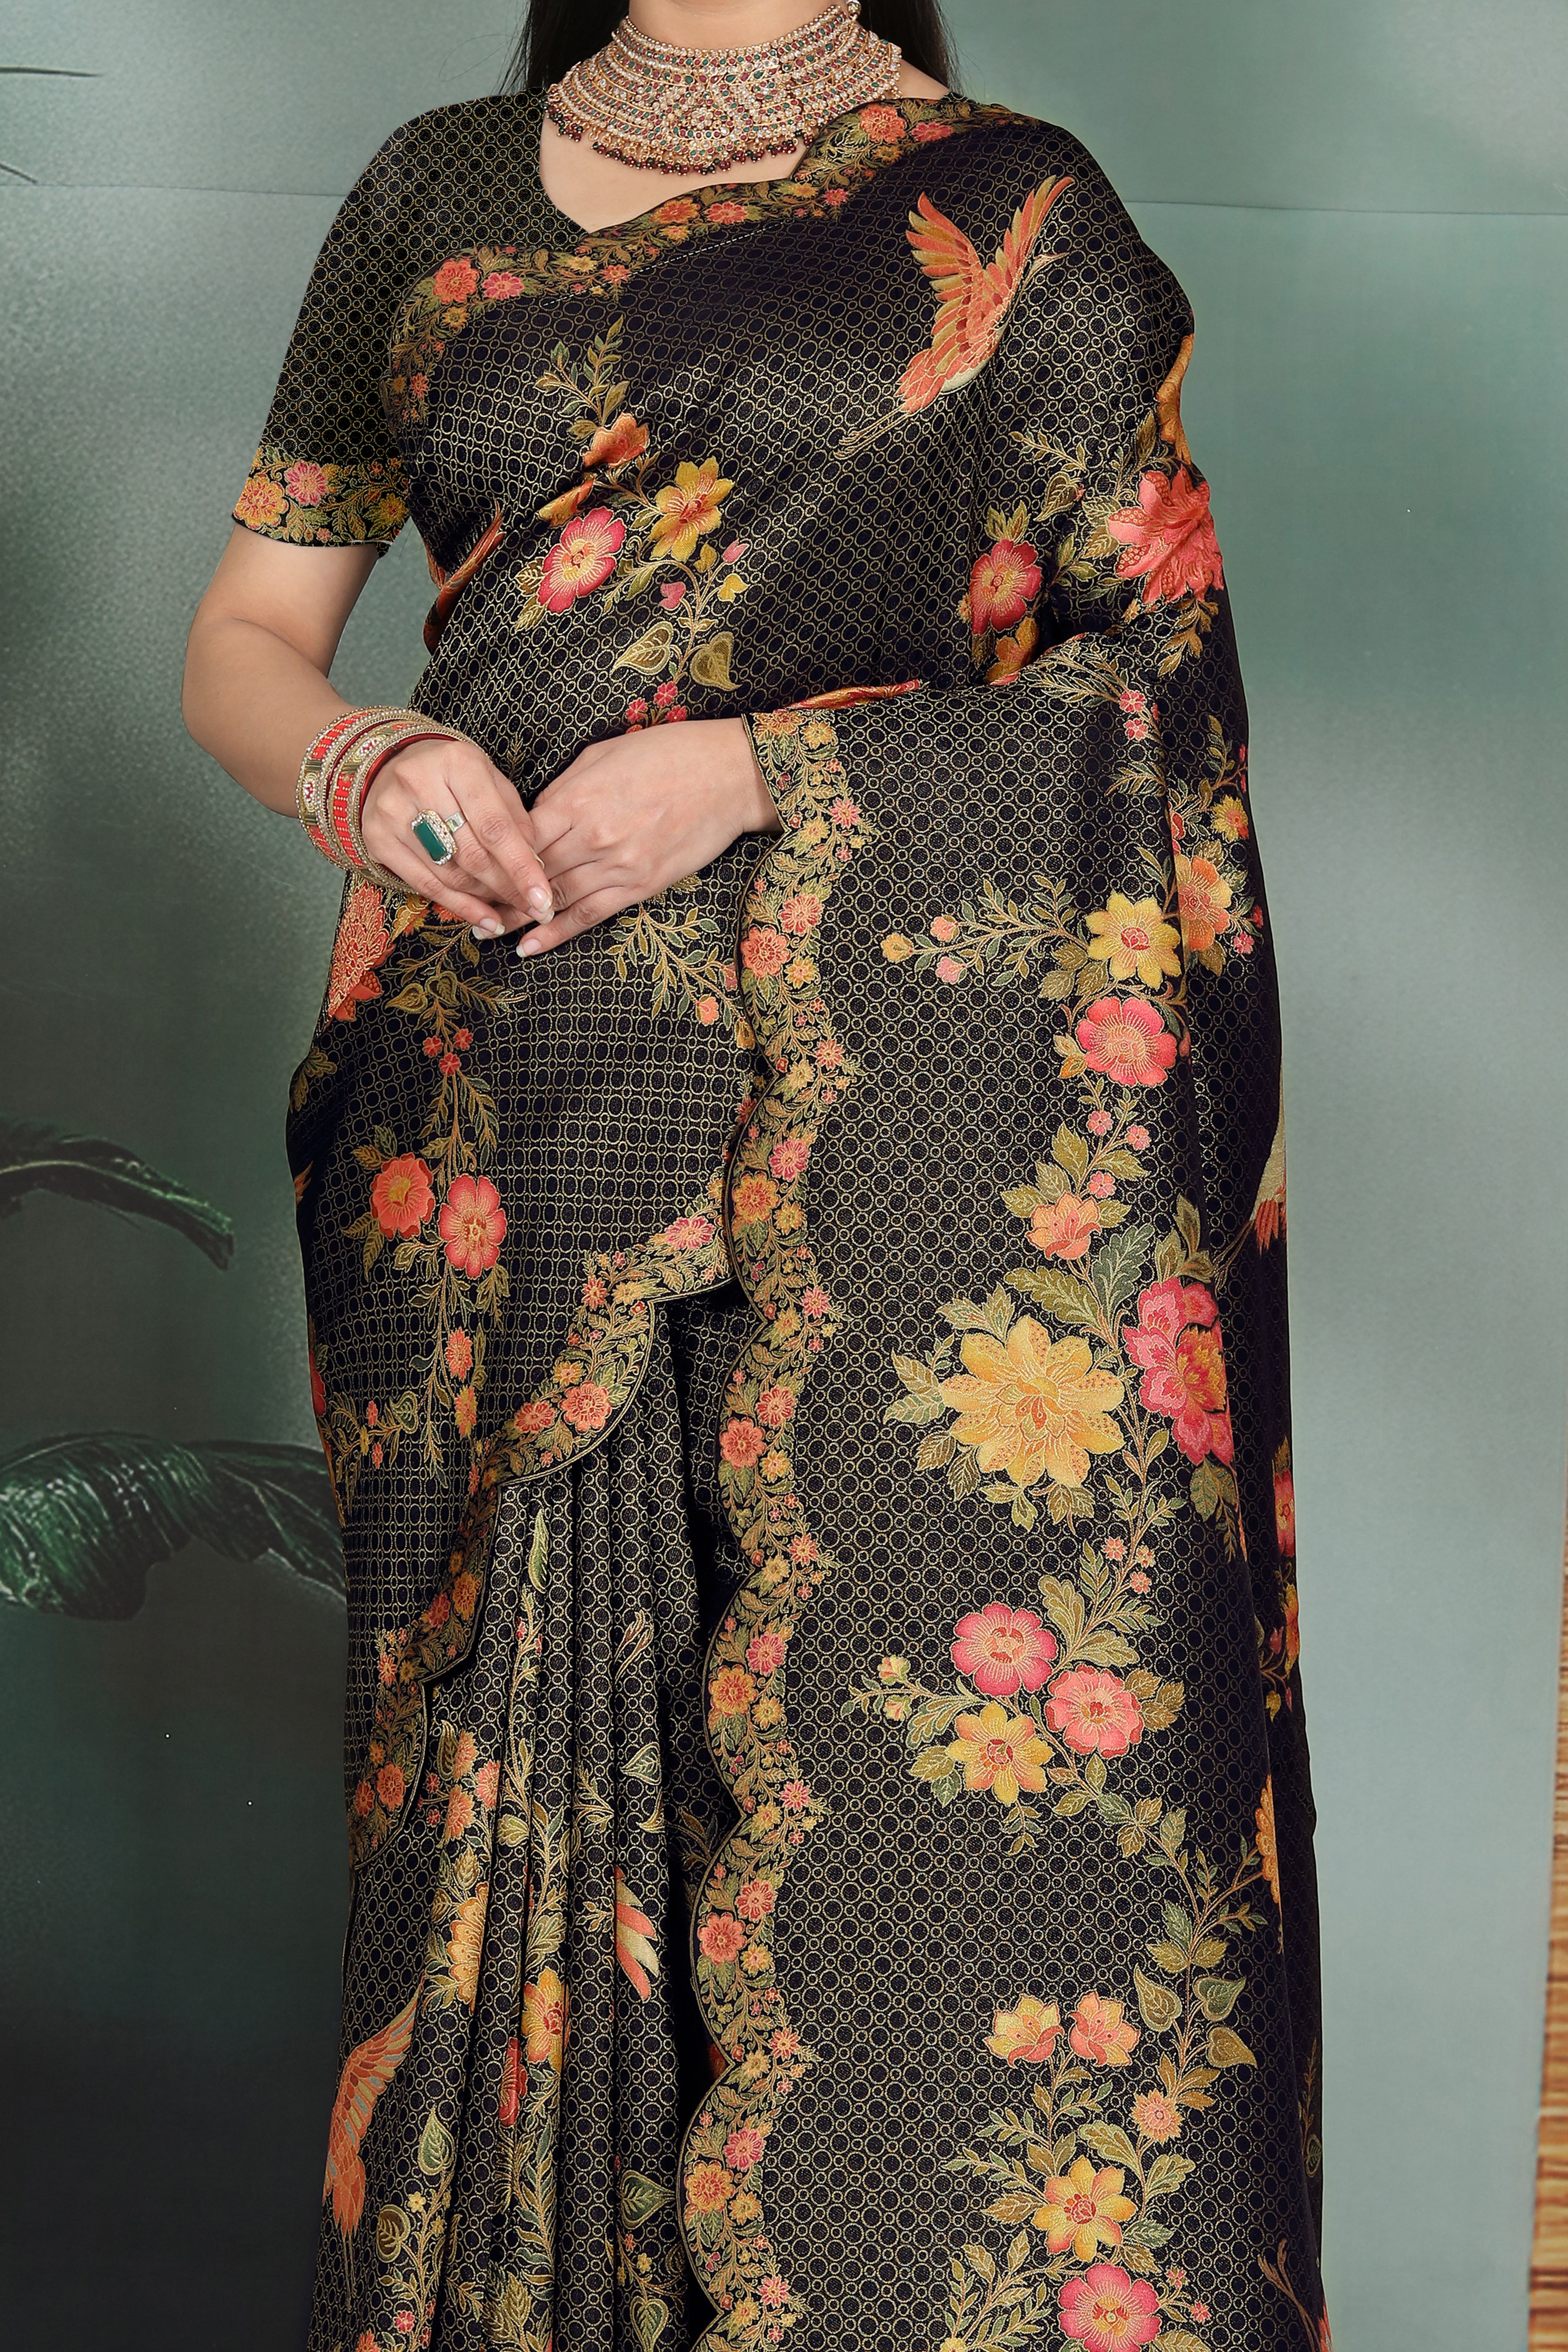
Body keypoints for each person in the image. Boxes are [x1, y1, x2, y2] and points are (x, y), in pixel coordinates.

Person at [182, 4, 1328, 2346]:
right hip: (490, 1125)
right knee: (504, 1817)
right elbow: (250, 637)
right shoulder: (433, 190)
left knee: (889, 1800)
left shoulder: (1016, 207)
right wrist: (363, 761)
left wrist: (764, 776)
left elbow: (1159, 683)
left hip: (904, 1129)